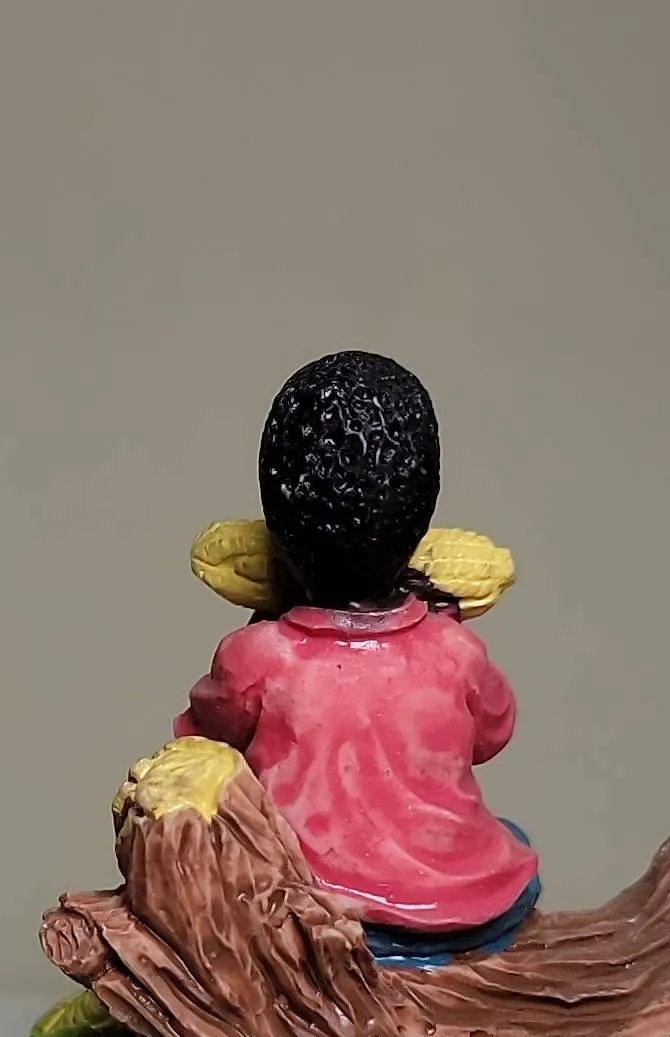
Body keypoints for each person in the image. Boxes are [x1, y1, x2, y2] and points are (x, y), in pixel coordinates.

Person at [173, 350, 534, 963]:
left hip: (305, 906)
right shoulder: (455, 651)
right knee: (511, 843)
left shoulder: (255, 658)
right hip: (459, 908)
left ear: (275, 526)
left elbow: (200, 742)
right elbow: (492, 732)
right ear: (422, 519)